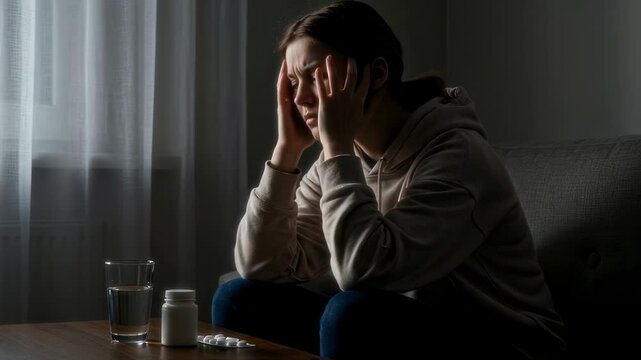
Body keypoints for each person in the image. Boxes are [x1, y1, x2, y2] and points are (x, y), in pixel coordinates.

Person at [212, 1, 566, 359]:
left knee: (351, 313)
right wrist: (286, 150)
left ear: (377, 74)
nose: (301, 98)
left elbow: (363, 272)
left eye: (317, 76)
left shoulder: (459, 157)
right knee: (238, 297)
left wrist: (336, 150)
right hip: (409, 329)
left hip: (507, 344)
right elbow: (260, 265)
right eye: (292, 82)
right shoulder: (339, 161)